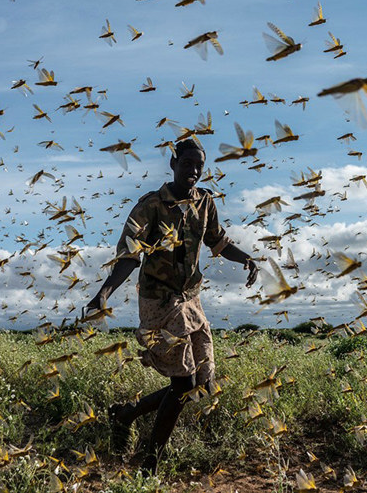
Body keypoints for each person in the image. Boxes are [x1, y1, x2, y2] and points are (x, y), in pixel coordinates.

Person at [83, 138, 259, 474]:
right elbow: (130, 256)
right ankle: (150, 463)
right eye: (187, 163)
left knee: (202, 384)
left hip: (190, 298)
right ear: (172, 163)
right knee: (182, 384)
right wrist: (104, 293)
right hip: (159, 301)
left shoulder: (205, 202)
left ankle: (126, 414)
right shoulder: (151, 206)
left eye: (199, 165)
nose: (193, 171)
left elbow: (218, 240)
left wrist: (247, 259)